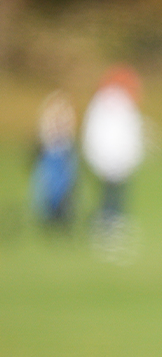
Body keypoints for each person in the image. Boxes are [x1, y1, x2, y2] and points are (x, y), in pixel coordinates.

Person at [81, 65, 146, 257]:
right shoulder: (105, 103)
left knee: (117, 193)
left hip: (119, 157)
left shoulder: (122, 103)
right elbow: (97, 133)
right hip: (108, 156)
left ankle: (114, 223)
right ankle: (106, 227)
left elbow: (131, 133)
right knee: (108, 193)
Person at [29, 91, 79, 232]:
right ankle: (46, 216)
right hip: (50, 153)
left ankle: (62, 217)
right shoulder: (49, 114)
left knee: (65, 187)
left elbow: (69, 132)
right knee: (48, 186)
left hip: (64, 153)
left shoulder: (66, 114)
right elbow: (45, 133)